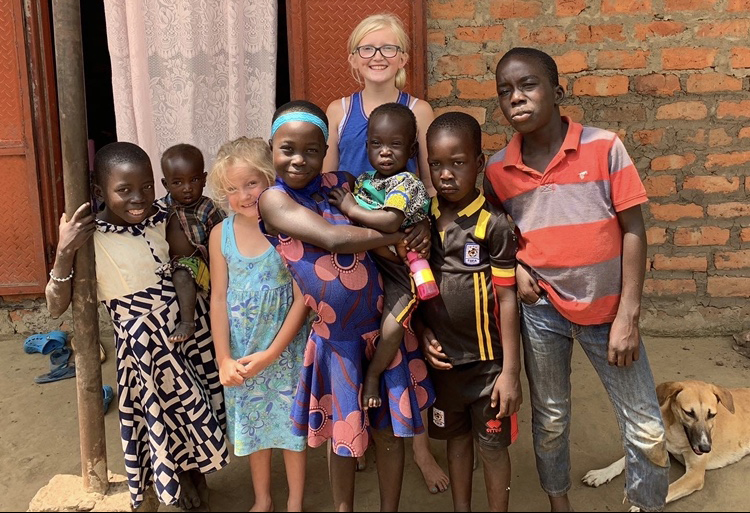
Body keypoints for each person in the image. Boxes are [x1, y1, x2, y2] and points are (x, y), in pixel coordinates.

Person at [486, 47, 669, 512]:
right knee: (550, 418)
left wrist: (628, 313)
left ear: (557, 92)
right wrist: (520, 267)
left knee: (645, 423)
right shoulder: (497, 170)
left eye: (528, 85)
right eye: (505, 91)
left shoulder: (605, 147)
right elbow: (498, 233)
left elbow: (634, 230)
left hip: (608, 312)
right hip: (541, 312)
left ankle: (645, 504)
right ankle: (559, 504)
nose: (516, 98)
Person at [258, 100, 434, 511]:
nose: (299, 159)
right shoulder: (275, 200)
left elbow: (388, 209)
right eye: (287, 149)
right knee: (343, 435)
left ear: (326, 150)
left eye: (312, 150)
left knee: (390, 433)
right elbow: (335, 240)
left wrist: (416, 221)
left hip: (382, 327)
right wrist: (398, 236)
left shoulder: (343, 182)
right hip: (337, 342)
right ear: (272, 148)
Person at [45, 142, 228, 510]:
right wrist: (65, 250)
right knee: (156, 418)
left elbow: (184, 264)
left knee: (192, 410)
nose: (138, 198)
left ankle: (195, 477)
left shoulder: (164, 217)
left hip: (186, 333)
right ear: (100, 192)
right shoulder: (90, 238)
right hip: (142, 347)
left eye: (146, 187)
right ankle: (170, 483)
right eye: (124, 190)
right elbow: (54, 306)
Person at [323, 12, 447, 492]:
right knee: (358, 334)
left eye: (389, 49)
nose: (378, 57)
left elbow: (433, 182)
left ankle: (417, 446)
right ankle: (360, 435)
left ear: (404, 59)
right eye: (368, 49)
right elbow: (332, 181)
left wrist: (426, 230)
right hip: (354, 241)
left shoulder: (419, 109)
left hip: (399, 241)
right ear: (354, 59)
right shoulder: (339, 110)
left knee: (406, 338)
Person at [418, 112, 521, 512]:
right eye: (437, 164)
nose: (446, 174)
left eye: (457, 163)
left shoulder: (492, 224)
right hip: (444, 365)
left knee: (492, 448)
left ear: (478, 164)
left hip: (488, 368)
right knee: (456, 444)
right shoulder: (419, 219)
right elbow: (413, 285)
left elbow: (508, 299)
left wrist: (510, 372)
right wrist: (424, 332)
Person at [207, 136, 310, 512]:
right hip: (243, 351)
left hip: (285, 349)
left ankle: (295, 502)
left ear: (270, 179)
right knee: (254, 429)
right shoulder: (221, 234)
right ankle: (263, 499)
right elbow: (218, 298)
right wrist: (223, 358)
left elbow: (303, 296)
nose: (244, 195)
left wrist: (273, 353)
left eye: (251, 183)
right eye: (232, 189)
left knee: (290, 430)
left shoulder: (288, 227)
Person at [328, 102, 430, 411]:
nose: (385, 151)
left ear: (412, 150)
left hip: (400, 272)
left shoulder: (406, 183)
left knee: (392, 327)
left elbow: (390, 221)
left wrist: (350, 209)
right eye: (377, 143)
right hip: (373, 265)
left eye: (395, 144)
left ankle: (373, 375)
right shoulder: (365, 181)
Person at [160, 143, 226, 343]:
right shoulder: (160, 209)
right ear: (165, 184)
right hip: (168, 265)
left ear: (204, 179)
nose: (187, 188)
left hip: (201, 264)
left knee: (182, 272)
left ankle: (188, 323)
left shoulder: (208, 207)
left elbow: (224, 236)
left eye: (194, 180)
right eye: (178, 182)